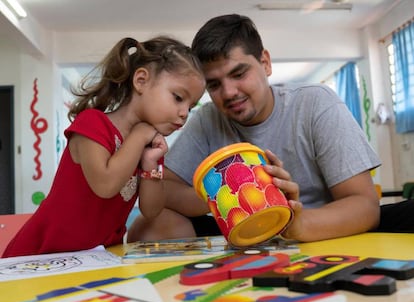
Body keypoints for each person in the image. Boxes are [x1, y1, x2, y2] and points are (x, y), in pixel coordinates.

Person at [127, 14, 382, 243]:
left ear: (266, 63)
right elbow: (164, 190)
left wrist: (297, 224)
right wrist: (221, 194)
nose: (228, 92)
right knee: (148, 227)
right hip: (239, 234)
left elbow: (365, 206)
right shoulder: (208, 118)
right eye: (214, 85)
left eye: (239, 74)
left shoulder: (316, 103)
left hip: (313, 234)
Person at [2, 36, 205, 258]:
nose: (184, 113)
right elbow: (105, 184)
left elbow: (151, 210)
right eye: (178, 98)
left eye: (191, 106)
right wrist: (138, 136)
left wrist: (150, 163)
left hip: (97, 258)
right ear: (141, 80)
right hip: (42, 255)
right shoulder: (93, 124)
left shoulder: (150, 146)